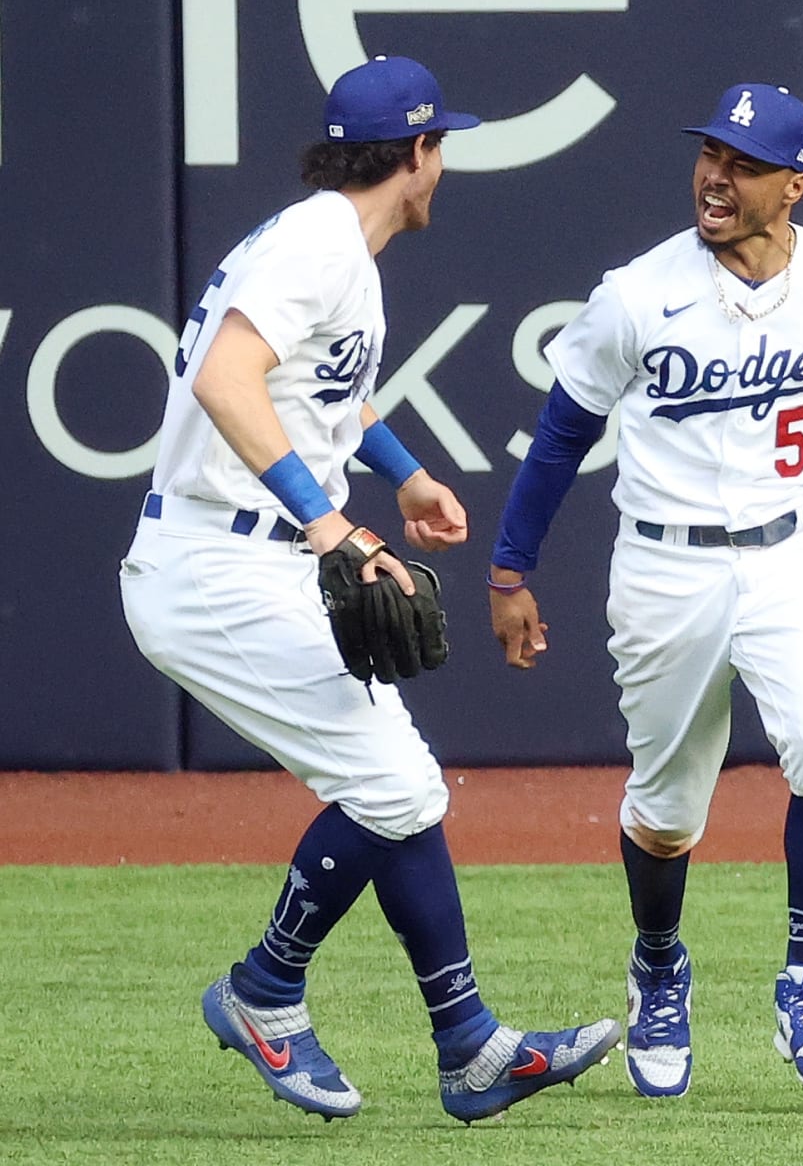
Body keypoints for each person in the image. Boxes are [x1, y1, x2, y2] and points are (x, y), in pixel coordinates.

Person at [119, 55, 618, 1125]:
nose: (447, 168)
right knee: (394, 786)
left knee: (403, 787)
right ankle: (265, 993)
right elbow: (224, 379)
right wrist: (333, 520)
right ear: (420, 153)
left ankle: (469, 1048)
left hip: (255, 558)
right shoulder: (317, 242)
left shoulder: (335, 244)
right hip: (216, 565)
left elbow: (322, 393)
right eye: (446, 147)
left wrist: (404, 475)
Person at [488, 82, 803, 1098]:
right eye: (710, 155)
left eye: (746, 164)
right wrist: (510, 570)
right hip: (665, 565)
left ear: (793, 186)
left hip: (793, 555)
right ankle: (660, 968)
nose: (717, 177)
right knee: (668, 808)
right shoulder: (635, 294)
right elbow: (560, 438)